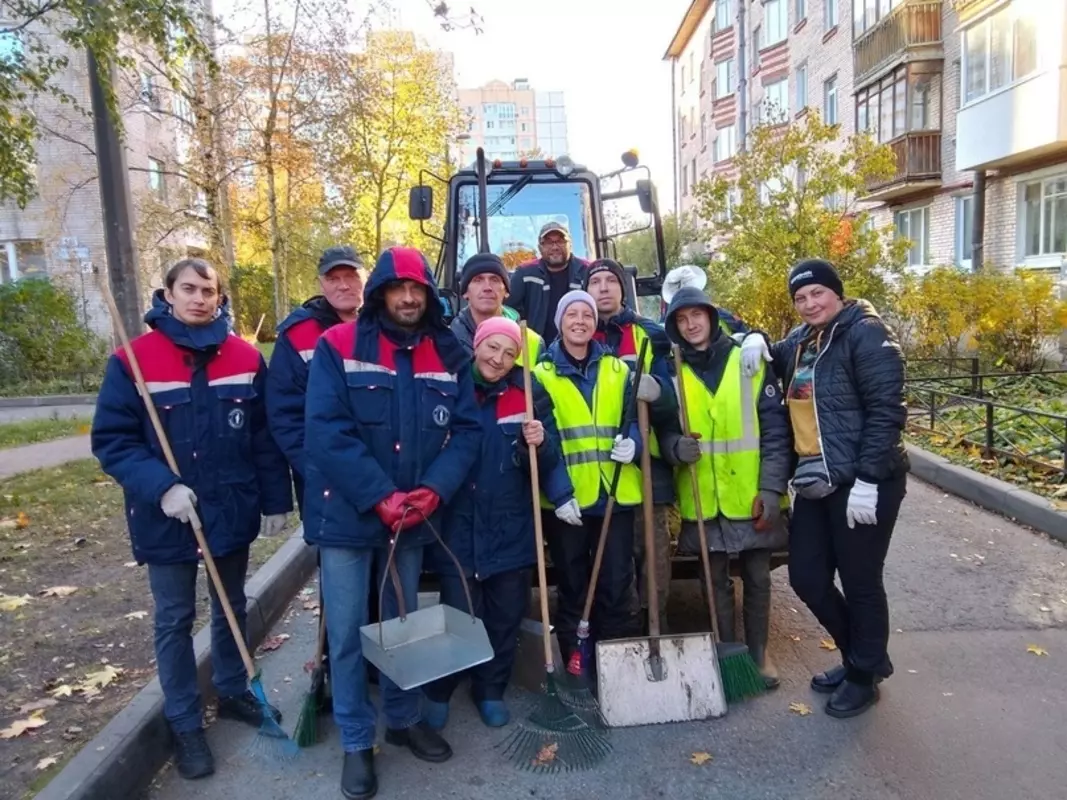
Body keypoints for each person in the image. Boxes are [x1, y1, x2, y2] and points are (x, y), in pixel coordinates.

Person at [91, 258, 292, 780]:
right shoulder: (133, 361)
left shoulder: (246, 359)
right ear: (169, 294)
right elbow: (113, 441)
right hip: (166, 516)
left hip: (230, 507)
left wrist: (275, 501)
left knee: (231, 607)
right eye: (189, 289)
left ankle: (231, 691)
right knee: (175, 618)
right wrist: (162, 487)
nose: (199, 298)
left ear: (220, 298)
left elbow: (264, 438)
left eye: (209, 290)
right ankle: (183, 721)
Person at [302, 246, 481, 799]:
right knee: (352, 633)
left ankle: (401, 723)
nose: (408, 298)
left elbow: (468, 429)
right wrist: (379, 494)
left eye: (418, 289)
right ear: (380, 292)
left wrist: (435, 490)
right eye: (398, 288)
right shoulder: (337, 345)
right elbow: (326, 429)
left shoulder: (450, 352)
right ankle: (358, 741)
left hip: (415, 515)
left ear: (428, 294)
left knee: (402, 629)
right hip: (350, 516)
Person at [741, 258, 908, 717]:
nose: (810, 303)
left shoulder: (866, 333)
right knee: (807, 577)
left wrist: (870, 480)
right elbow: (766, 356)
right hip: (817, 481)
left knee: (860, 582)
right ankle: (861, 657)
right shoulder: (801, 342)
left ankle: (862, 674)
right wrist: (754, 336)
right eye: (800, 297)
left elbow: (886, 410)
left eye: (817, 293)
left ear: (837, 292)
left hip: (863, 481)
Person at [422, 317, 572, 730]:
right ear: (477, 346)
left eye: (509, 353)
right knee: (458, 613)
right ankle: (441, 689)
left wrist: (537, 445)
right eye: (492, 348)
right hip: (457, 522)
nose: (499, 359)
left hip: (510, 522)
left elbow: (547, 461)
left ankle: (490, 688)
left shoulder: (528, 393)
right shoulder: (450, 386)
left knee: (506, 614)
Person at [661, 286, 791, 689]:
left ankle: (758, 652)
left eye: (696, 315)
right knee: (711, 579)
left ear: (713, 317)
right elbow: (662, 429)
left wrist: (771, 490)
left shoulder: (745, 361)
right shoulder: (672, 369)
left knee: (757, 576)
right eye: (681, 320)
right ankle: (727, 652)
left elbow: (775, 432)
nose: (691, 325)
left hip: (750, 494)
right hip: (700, 496)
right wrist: (673, 447)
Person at [533, 290, 664, 672]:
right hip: (568, 502)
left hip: (614, 494)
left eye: (586, 314)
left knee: (616, 584)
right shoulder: (540, 376)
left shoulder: (618, 370)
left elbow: (633, 420)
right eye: (570, 313)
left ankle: (619, 665)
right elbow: (547, 440)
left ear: (594, 323)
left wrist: (634, 442)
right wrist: (559, 493)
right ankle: (580, 666)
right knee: (573, 586)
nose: (579, 320)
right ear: (560, 322)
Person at [583, 258, 678, 634]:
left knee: (652, 556)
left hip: (647, 466)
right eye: (596, 282)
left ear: (624, 289)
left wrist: (660, 394)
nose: (603, 288)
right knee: (613, 561)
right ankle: (621, 630)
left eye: (611, 281)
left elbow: (673, 401)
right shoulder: (577, 331)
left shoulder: (650, 335)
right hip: (598, 470)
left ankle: (656, 627)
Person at [267, 245, 364, 515]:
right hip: (324, 482)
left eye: (351, 276)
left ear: (365, 280)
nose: (344, 286)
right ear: (321, 284)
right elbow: (284, 414)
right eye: (333, 279)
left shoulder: (383, 327)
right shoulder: (298, 334)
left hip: (382, 476)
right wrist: (315, 468)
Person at [450, 252, 543, 363]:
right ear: (465, 292)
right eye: (478, 280)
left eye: (495, 280)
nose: (487, 288)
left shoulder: (533, 343)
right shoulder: (446, 341)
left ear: (506, 291)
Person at [505, 221, 587, 342]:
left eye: (560, 241)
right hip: (537, 351)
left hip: (579, 347)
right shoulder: (524, 273)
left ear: (570, 244)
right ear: (540, 247)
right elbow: (508, 312)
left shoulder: (587, 271)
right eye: (548, 242)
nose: (554, 247)